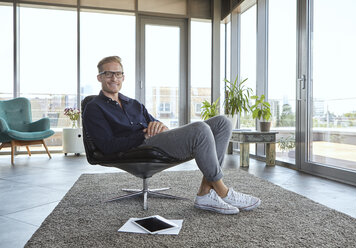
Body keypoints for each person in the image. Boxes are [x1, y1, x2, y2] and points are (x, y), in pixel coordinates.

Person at [83, 56, 261, 214]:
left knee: (222, 122)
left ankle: (205, 192)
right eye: (108, 74)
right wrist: (143, 135)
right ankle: (223, 191)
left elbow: (159, 126)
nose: (114, 78)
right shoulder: (94, 107)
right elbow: (106, 146)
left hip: (154, 140)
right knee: (200, 128)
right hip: (136, 147)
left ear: (123, 77)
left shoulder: (134, 104)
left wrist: (158, 127)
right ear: (100, 77)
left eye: (118, 74)